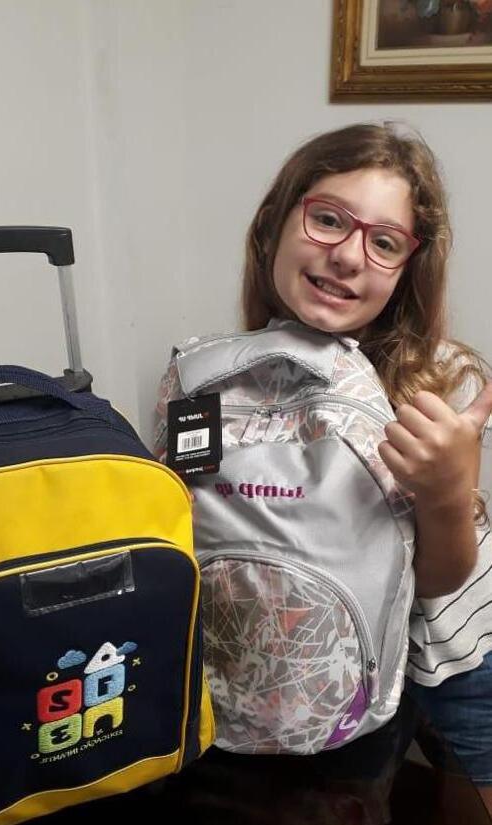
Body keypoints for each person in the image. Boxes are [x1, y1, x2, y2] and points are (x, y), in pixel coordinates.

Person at [154, 122, 492, 821]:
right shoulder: (213, 375)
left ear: (407, 268)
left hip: (439, 653)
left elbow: (439, 580)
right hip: (270, 680)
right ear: (273, 225)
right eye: (329, 219)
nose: (347, 256)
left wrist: (448, 491)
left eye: (384, 242)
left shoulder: (436, 383)